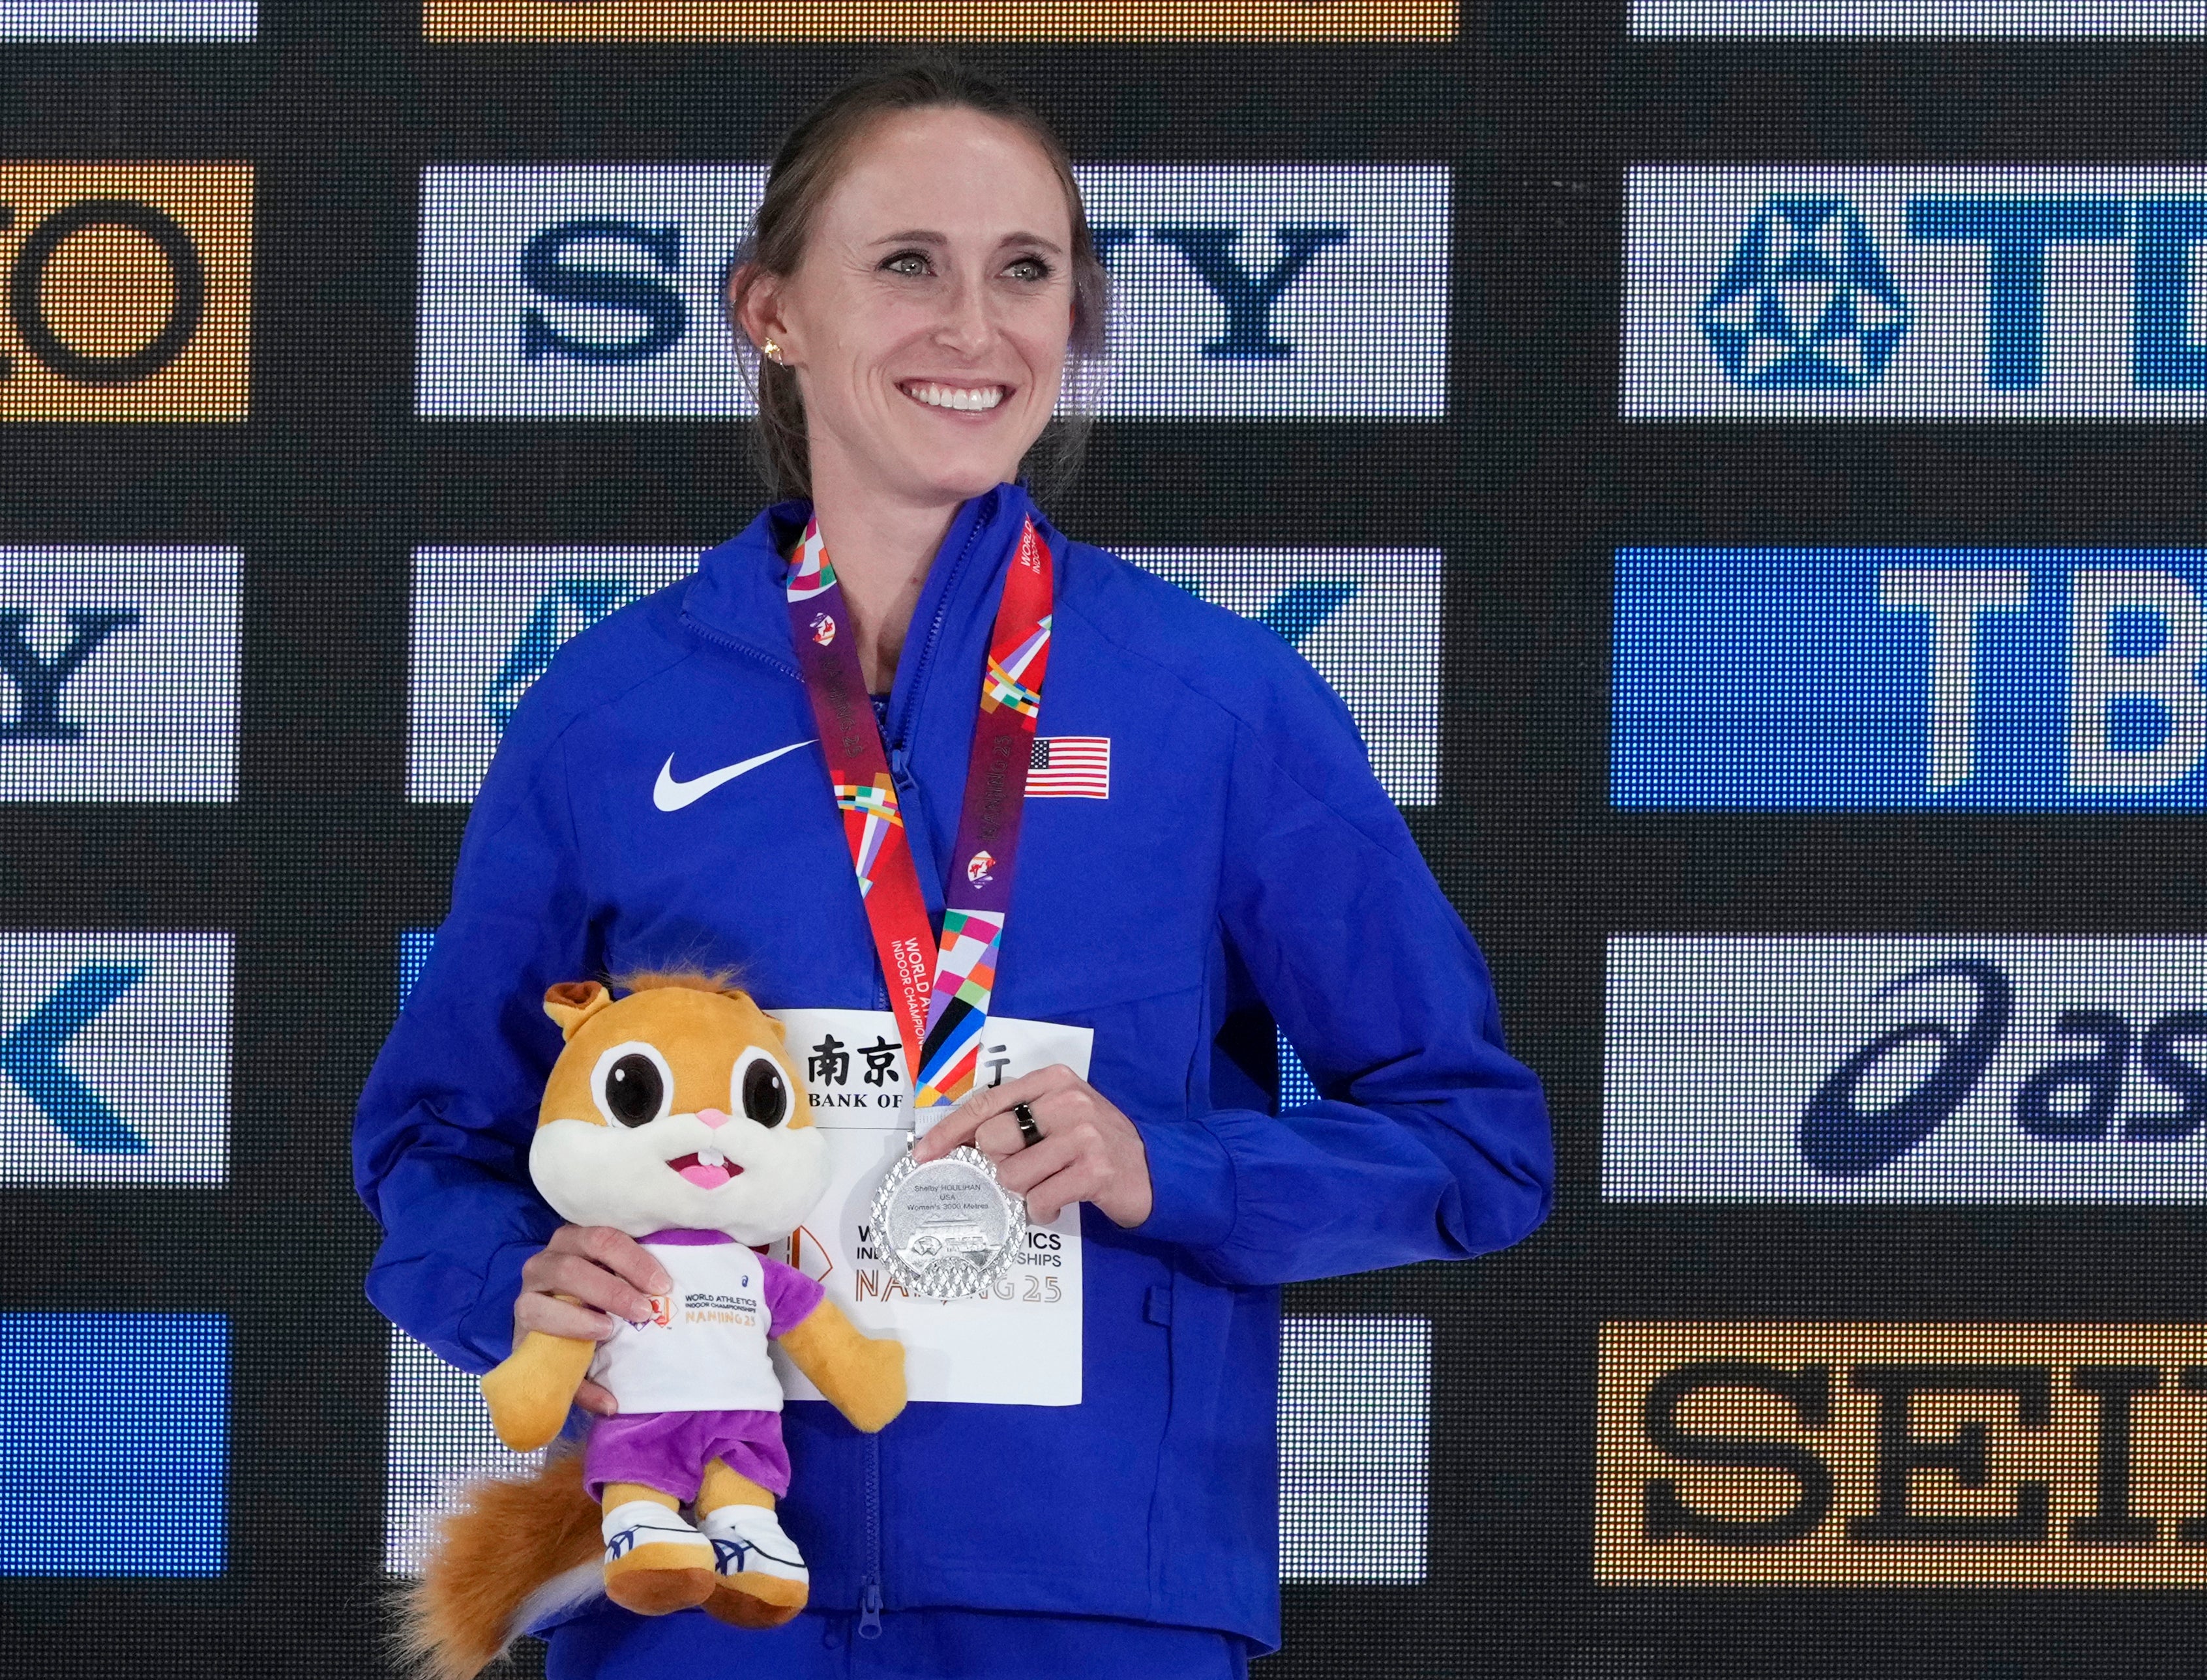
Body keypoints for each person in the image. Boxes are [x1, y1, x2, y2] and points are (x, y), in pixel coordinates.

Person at [353, 57, 1553, 1680]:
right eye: (907, 262)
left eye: (1026, 271)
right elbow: (437, 1135)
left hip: (1092, 1596)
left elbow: (1472, 1138)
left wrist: (1168, 1169)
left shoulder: (1218, 703)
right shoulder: (611, 709)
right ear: (769, 309)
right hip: (704, 1590)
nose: (972, 327)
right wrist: (516, 1278)